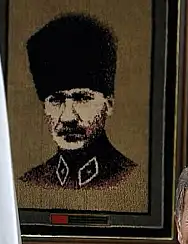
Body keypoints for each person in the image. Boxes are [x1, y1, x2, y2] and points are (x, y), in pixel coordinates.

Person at [19, 13, 136, 190]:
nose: (68, 117)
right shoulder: (31, 183)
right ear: (44, 107)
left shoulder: (131, 181)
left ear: (109, 104)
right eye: (56, 100)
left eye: (82, 98)